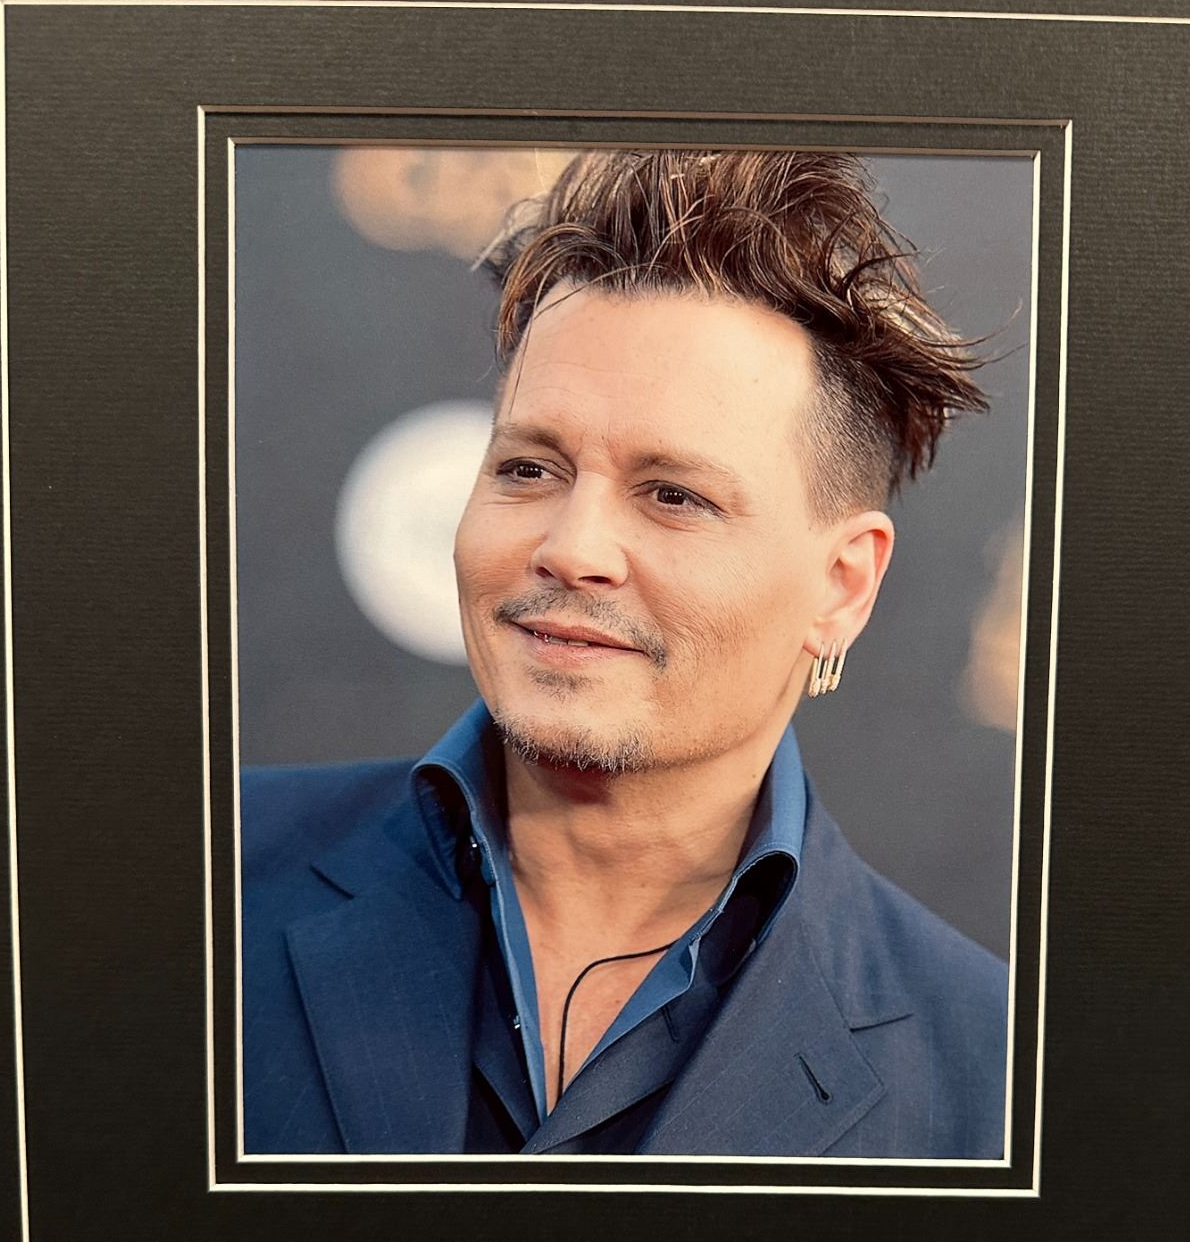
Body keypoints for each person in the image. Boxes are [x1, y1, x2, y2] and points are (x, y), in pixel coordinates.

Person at [241, 148, 1008, 1159]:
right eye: (528, 468)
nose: (571, 548)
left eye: (673, 495)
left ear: (841, 587)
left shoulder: (989, 1077)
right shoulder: (198, 889)